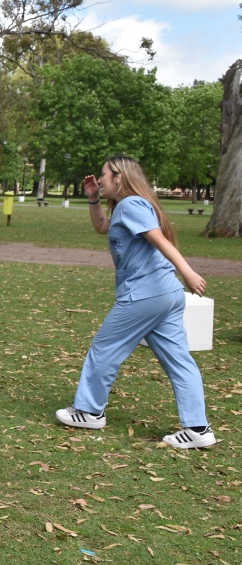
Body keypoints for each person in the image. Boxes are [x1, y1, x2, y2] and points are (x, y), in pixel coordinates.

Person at [56, 156, 215, 449]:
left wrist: (189, 272)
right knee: (179, 361)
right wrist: (93, 199)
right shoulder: (126, 206)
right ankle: (198, 429)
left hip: (146, 293)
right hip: (166, 294)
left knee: (105, 346)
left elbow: (158, 239)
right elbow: (103, 227)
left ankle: (90, 411)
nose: (99, 180)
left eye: (103, 175)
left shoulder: (131, 205)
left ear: (118, 177)